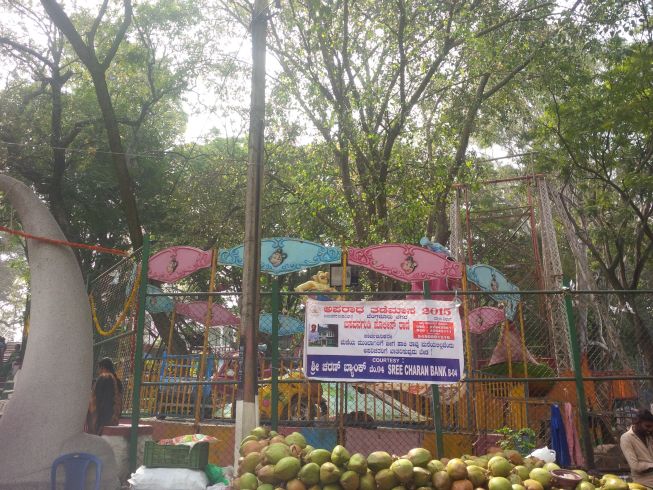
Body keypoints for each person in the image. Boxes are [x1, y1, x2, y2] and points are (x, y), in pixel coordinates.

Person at [85, 357, 123, 435]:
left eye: (99, 368)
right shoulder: (118, 381)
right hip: (115, 420)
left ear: (103, 368)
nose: (99, 371)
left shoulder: (104, 377)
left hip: (103, 421)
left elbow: (96, 399)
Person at [620, 408, 653, 488]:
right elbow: (635, 466)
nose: (650, 429)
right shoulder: (626, 438)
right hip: (644, 482)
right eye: (647, 426)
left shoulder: (648, 436)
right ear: (637, 423)